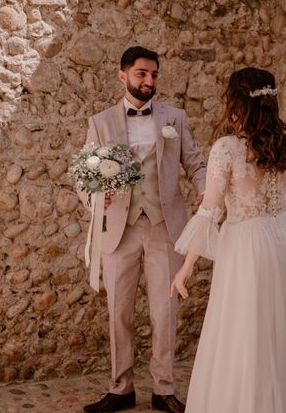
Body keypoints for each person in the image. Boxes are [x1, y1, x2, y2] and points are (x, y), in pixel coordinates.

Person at [171, 67, 286, 413]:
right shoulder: (285, 144)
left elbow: (210, 211)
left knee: (247, 331)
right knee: (284, 326)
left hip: (246, 245)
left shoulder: (226, 148)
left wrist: (185, 268)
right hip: (283, 238)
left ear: (235, 103)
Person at [81, 46, 206, 413]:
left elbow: (194, 162)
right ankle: (121, 388)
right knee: (119, 311)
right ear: (123, 76)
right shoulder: (100, 122)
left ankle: (163, 388)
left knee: (164, 311)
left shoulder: (175, 118)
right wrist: (94, 199)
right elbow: (85, 173)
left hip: (165, 227)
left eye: (153, 75)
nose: (148, 81)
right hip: (118, 229)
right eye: (141, 74)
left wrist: (204, 192)